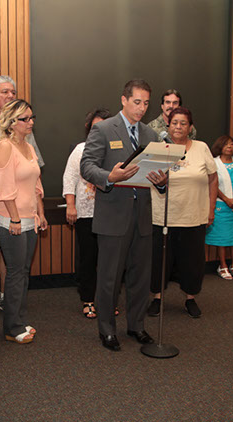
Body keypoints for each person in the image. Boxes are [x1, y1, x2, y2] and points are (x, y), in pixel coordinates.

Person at [80, 79, 168, 352]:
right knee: (109, 278)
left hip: (142, 216)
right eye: (137, 102)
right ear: (124, 100)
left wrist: (162, 181)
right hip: (113, 217)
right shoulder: (103, 129)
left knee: (141, 278)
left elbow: (157, 176)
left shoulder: (150, 135)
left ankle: (137, 326)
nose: (141, 108)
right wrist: (110, 176)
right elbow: (87, 166)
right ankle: (107, 330)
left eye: (145, 103)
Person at [0, 76, 45, 311]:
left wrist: (40, 211)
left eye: (13, 92)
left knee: (15, 266)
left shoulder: (26, 137)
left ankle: (8, 300)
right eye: (5, 92)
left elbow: (35, 174)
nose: (10, 96)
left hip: (23, 210)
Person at [147, 107, 218, 319]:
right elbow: (147, 178)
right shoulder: (159, 149)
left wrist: (211, 209)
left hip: (194, 216)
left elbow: (213, 179)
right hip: (163, 217)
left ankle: (190, 298)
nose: (178, 127)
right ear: (168, 126)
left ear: (190, 127)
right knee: (160, 261)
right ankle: (157, 298)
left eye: (183, 123)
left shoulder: (201, 148)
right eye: (174, 122)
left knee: (192, 262)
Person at [0, 99, 47, 344]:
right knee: (15, 274)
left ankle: (20, 320)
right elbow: (5, 189)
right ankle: (12, 328)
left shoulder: (28, 146)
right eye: (25, 119)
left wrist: (41, 213)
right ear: (11, 122)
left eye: (32, 117)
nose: (30, 122)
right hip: (11, 220)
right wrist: (14, 218)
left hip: (30, 219)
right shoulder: (5, 146)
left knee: (24, 272)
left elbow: (36, 185)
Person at [62, 108, 111, 319]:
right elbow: (69, 178)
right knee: (88, 258)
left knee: (110, 260)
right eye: (94, 127)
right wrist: (71, 206)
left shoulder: (115, 150)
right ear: (88, 129)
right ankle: (88, 300)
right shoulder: (81, 150)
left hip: (111, 214)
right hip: (86, 212)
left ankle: (107, 301)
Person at [205, 135, 233, 280]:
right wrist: (227, 200)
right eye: (226, 144)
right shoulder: (214, 163)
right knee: (222, 238)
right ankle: (223, 265)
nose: (230, 147)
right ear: (220, 147)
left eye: (232, 144)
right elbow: (213, 184)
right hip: (221, 206)